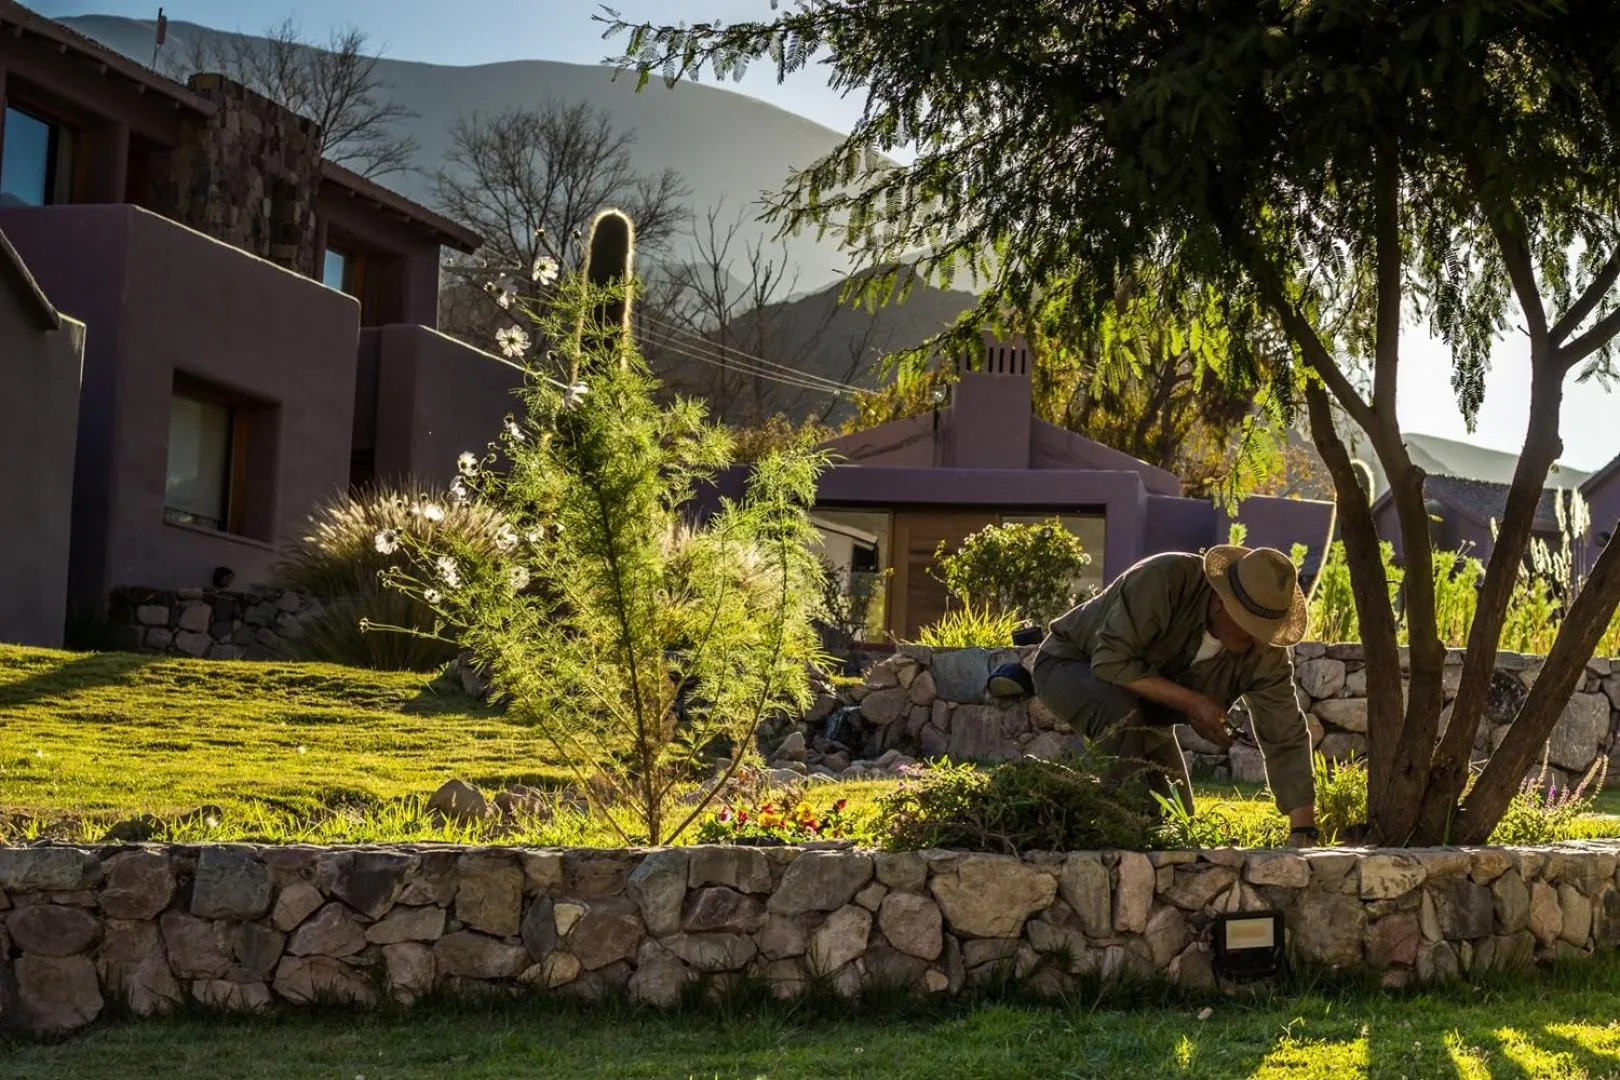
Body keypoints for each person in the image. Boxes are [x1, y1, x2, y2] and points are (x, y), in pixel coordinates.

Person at [1027, 546, 1318, 846]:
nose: (1260, 639)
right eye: (1251, 627)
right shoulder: (1164, 579)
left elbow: (1285, 733)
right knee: (1126, 754)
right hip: (1071, 663)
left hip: (1143, 709)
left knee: (1176, 819)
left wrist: (1303, 831)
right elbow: (1110, 661)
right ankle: (1112, 840)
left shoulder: (1265, 652)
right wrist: (1193, 702)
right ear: (1222, 602)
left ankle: (1087, 807)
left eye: (1267, 630)